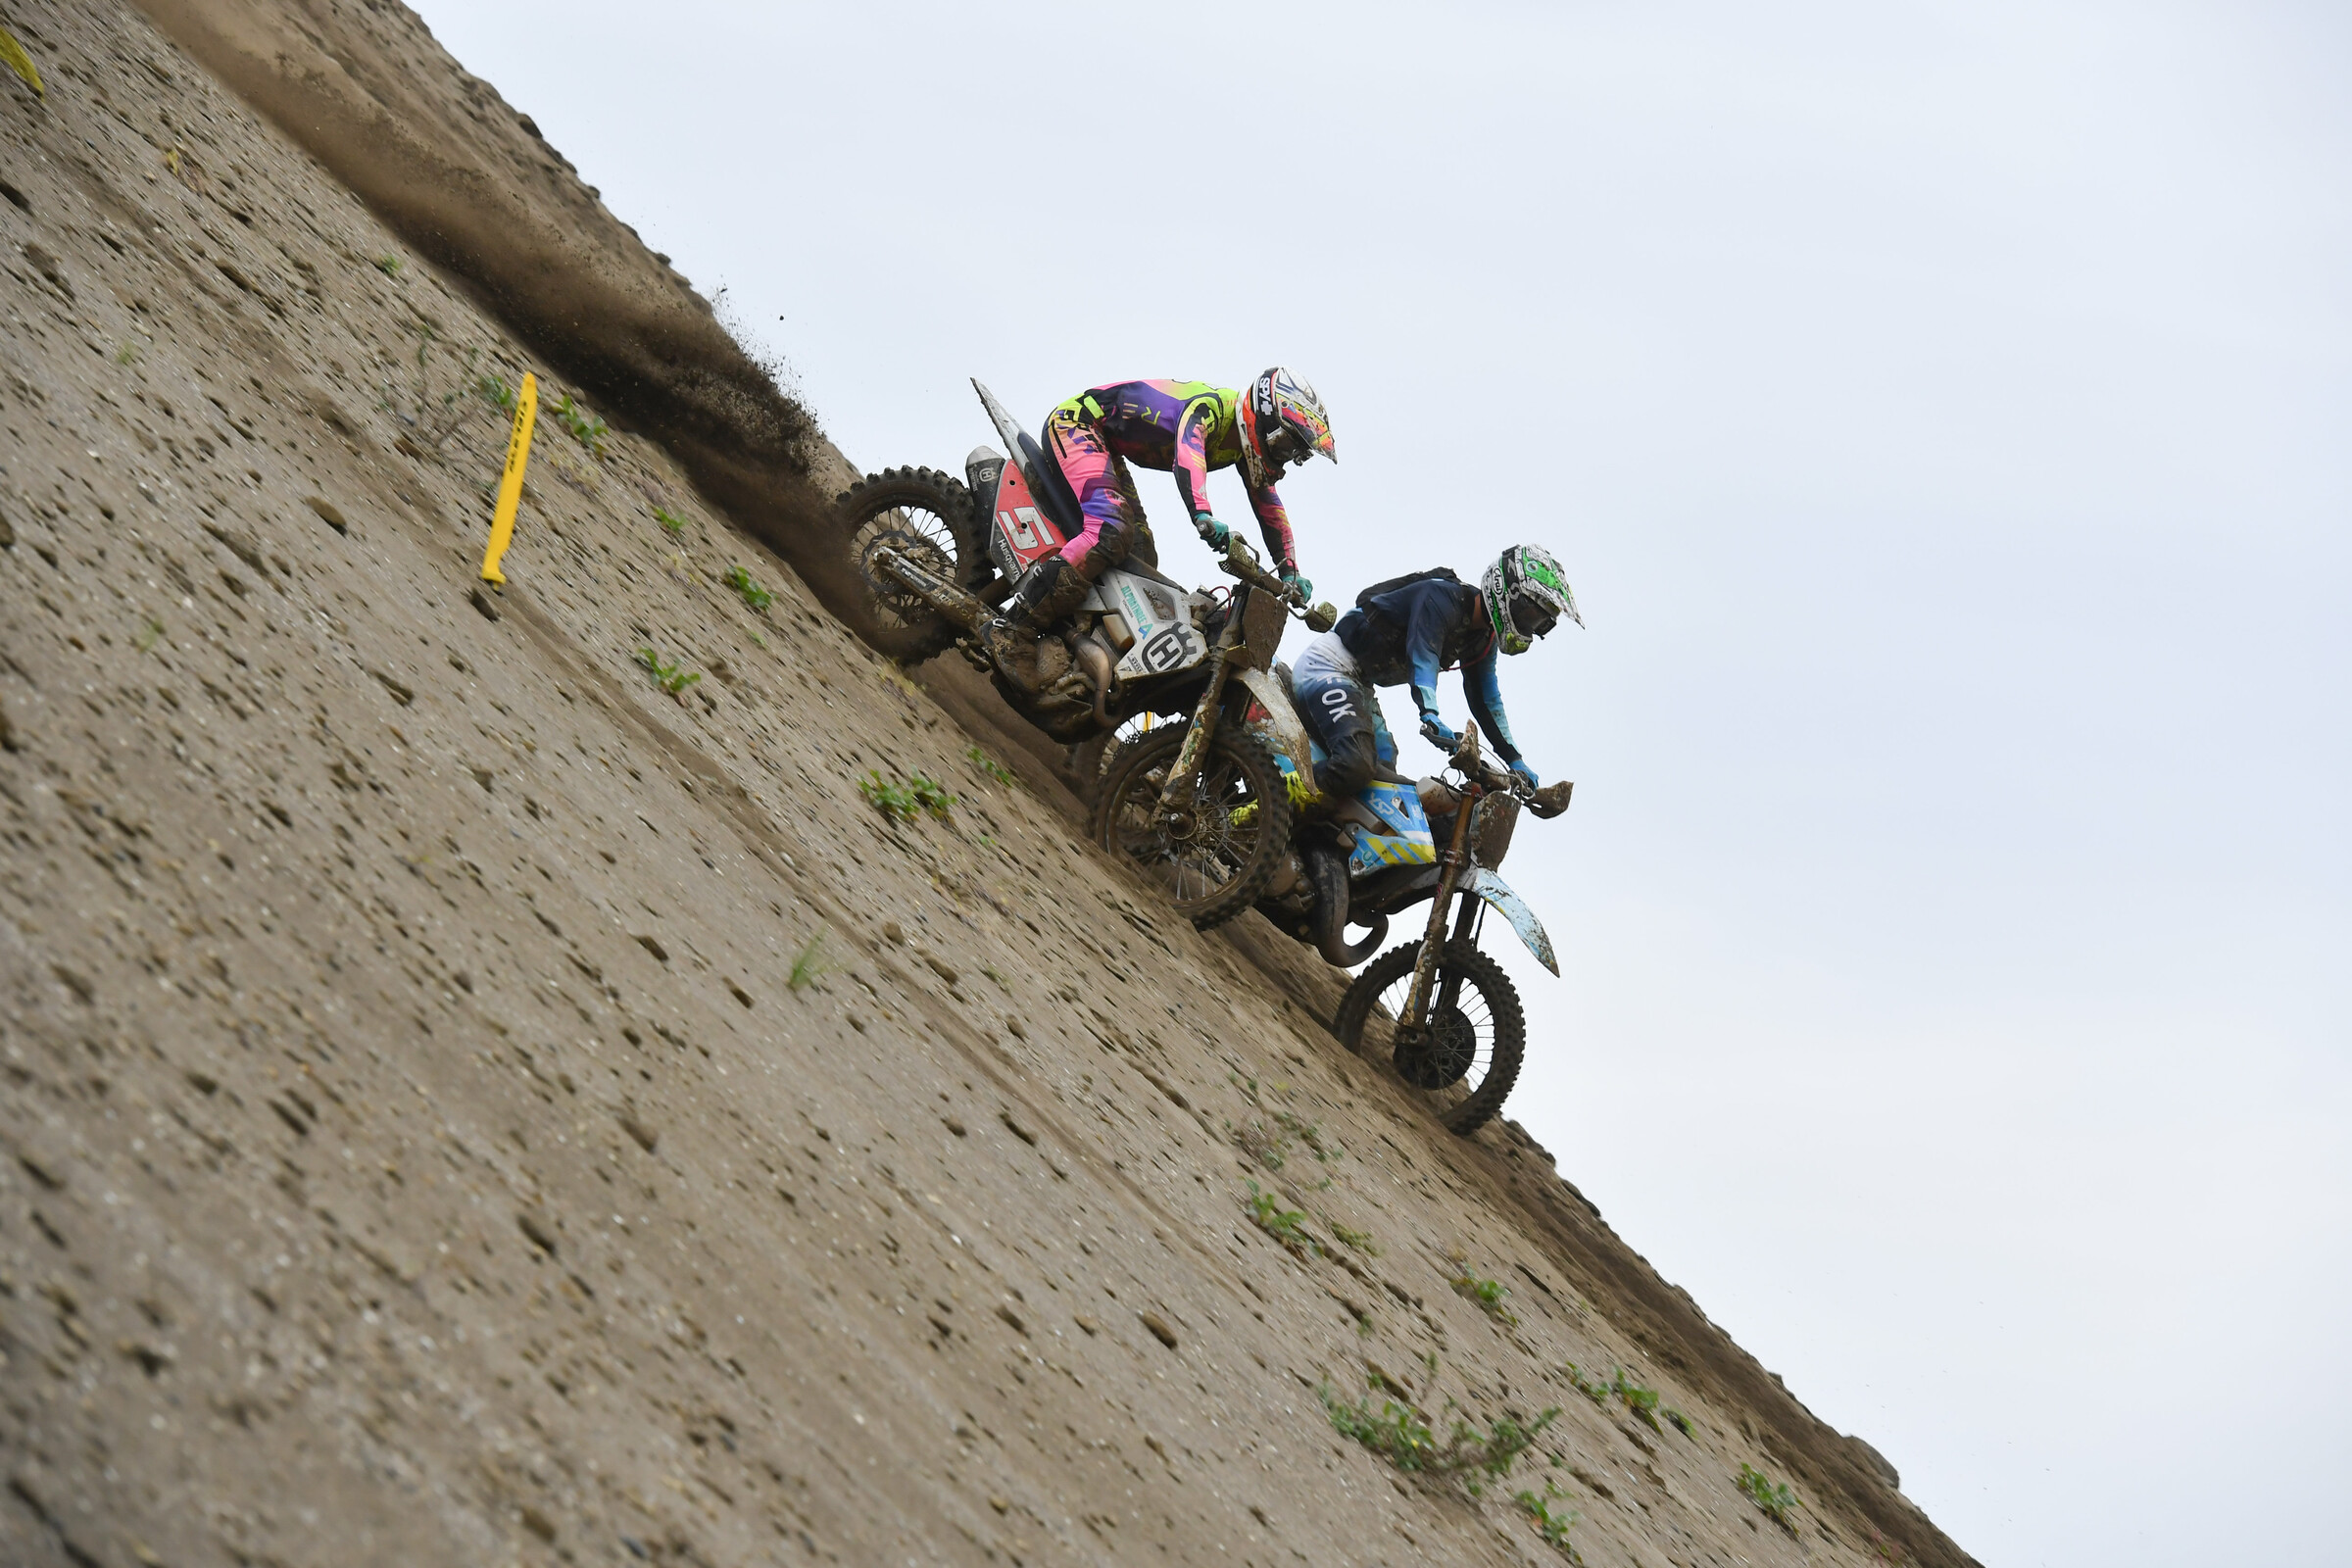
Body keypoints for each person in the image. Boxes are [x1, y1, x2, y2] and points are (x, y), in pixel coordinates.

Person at [992, 369, 1336, 638]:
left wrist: (1290, 569)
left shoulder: (1242, 444)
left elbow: (1268, 504)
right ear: (1265, 417)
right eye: (1287, 444)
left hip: (1106, 447)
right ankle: (1014, 626)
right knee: (1108, 532)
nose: (1287, 457)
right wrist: (1202, 513)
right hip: (1077, 425)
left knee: (1141, 561)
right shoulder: (1212, 407)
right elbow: (1189, 454)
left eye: (1296, 453)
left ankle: (1075, 635)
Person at [1289, 545, 1580, 802]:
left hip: (1360, 684)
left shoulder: (1483, 640)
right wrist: (1430, 713)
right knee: (1355, 766)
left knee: (1386, 784)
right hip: (1329, 665)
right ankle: (1273, 801)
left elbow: (1486, 699)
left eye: (1540, 622)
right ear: (1509, 592)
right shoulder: (1441, 597)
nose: (1532, 625)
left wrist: (1514, 759)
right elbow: (1423, 651)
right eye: (1532, 614)